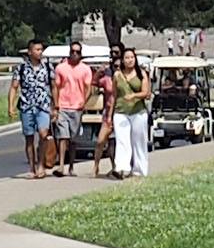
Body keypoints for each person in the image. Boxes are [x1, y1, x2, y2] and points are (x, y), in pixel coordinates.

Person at [51, 44, 97, 176]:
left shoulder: (85, 69)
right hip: (63, 106)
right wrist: (56, 105)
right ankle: (61, 166)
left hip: (77, 107)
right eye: (73, 51)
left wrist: (84, 101)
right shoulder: (61, 68)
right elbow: (56, 87)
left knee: (73, 139)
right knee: (63, 136)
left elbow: (88, 87)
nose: (75, 53)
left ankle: (71, 166)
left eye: (78, 51)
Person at [107, 47, 153, 177]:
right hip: (121, 112)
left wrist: (134, 96)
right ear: (122, 60)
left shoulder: (141, 73)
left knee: (138, 141)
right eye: (127, 58)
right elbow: (114, 96)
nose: (129, 60)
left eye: (132, 57)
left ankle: (139, 170)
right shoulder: (117, 75)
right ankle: (122, 168)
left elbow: (146, 93)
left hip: (138, 111)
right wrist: (110, 116)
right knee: (122, 140)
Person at [16, 41, 57, 177]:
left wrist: (55, 106)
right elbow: (14, 86)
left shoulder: (47, 67)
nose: (40, 52)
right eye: (37, 49)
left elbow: (54, 86)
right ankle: (32, 168)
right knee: (29, 138)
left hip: (43, 105)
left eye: (41, 49)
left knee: (43, 134)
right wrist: (10, 105)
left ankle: (41, 165)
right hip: (27, 105)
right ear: (30, 52)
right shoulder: (21, 68)